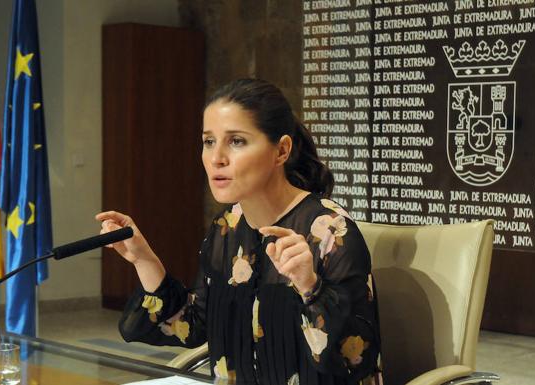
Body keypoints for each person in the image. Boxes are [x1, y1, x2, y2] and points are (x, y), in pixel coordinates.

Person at [96, 79, 382, 385]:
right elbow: (192, 325)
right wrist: (144, 260)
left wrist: (310, 287)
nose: (217, 157)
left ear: (281, 150)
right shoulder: (226, 229)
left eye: (236, 141)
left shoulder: (330, 231)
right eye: (208, 141)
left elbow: (357, 359)